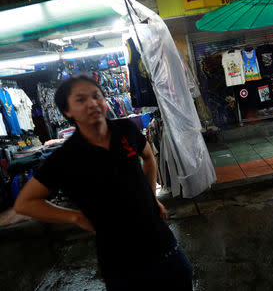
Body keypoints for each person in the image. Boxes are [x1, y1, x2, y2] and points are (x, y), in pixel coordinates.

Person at [13, 74, 193, 290]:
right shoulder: (66, 157)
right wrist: (75, 217)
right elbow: (25, 202)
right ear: (66, 111)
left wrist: (151, 197)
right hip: (119, 258)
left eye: (96, 95)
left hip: (161, 241)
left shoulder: (126, 129)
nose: (92, 103)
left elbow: (148, 157)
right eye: (81, 99)